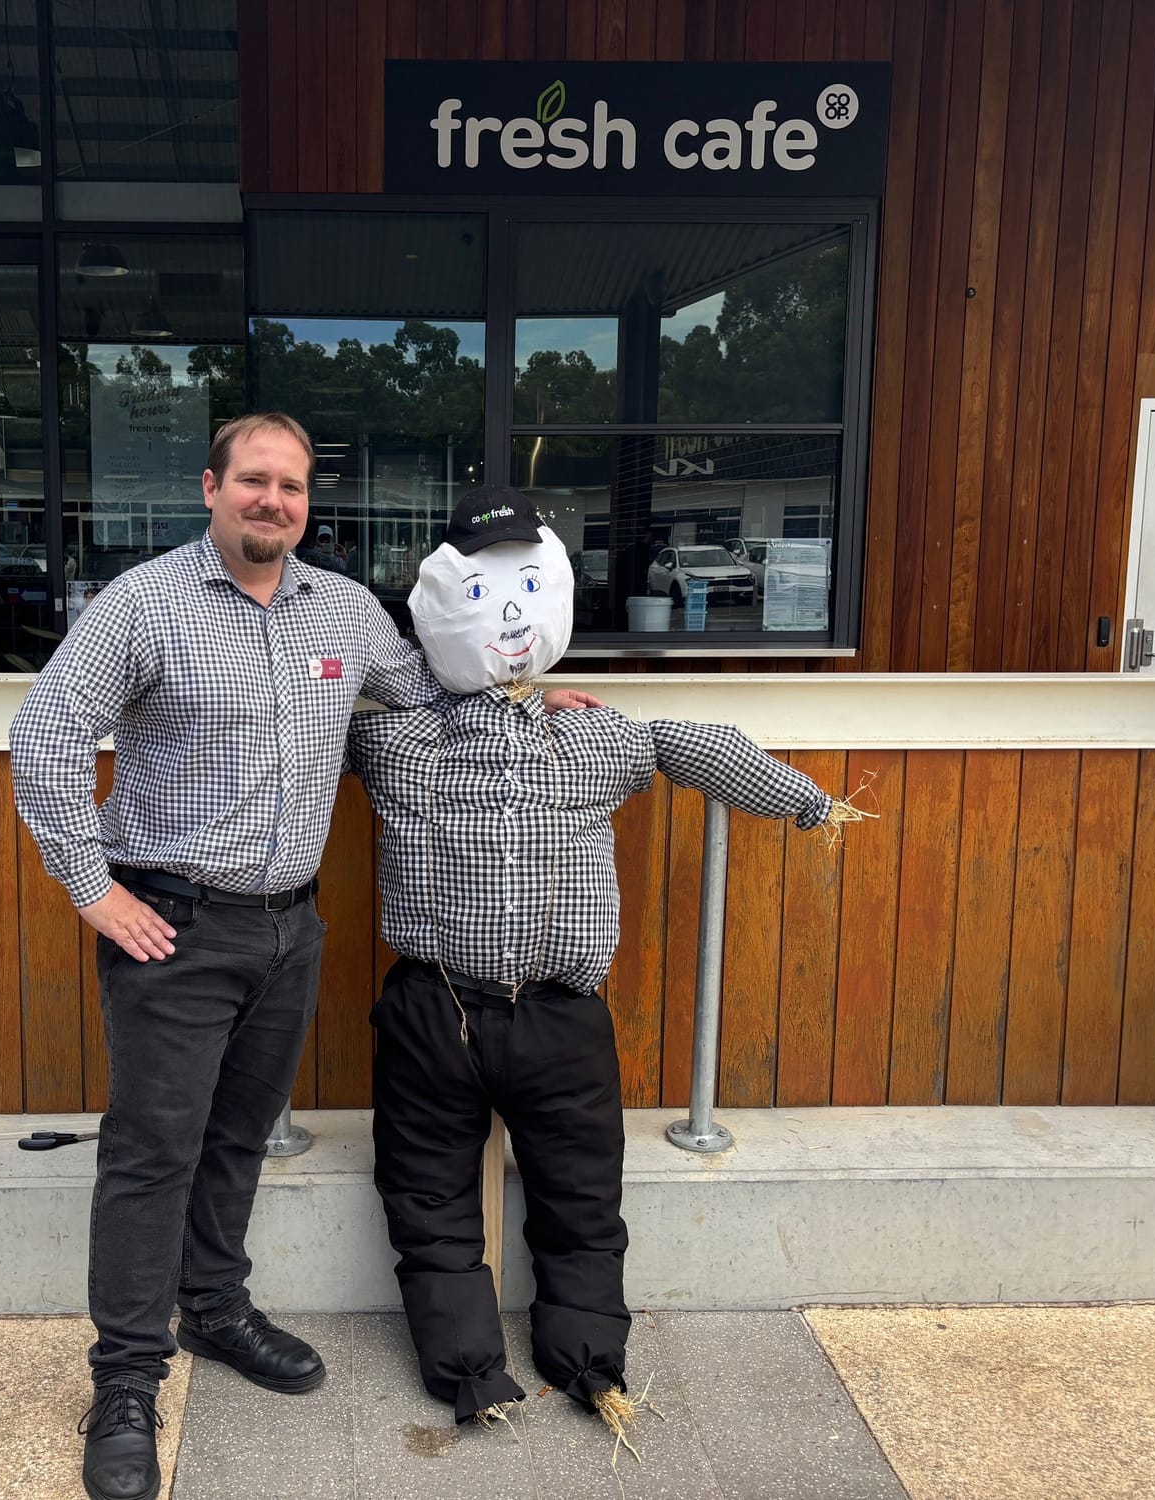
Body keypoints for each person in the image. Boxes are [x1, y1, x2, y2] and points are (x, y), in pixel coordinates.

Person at [9, 420, 598, 1500]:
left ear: (306, 502)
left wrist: (531, 708)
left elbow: (434, 698)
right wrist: (93, 891)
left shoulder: (343, 612)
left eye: (289, 486)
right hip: (175, 925)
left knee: (237, 1138)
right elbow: (45, 733)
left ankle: (217, 1309)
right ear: (211, 489)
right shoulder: (143, 605)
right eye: (252, 482)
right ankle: (128, 1380)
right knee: (152, 1155)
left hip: (290, 927)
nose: (270, 501)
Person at [344, 487, 835, 1433]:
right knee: (426, 1196)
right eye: (486, 596)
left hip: (562, 1013)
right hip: (431, 1007)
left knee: (580, 1195)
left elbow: (690, 745)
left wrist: (809, 801)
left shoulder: (597, 736)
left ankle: (588, 1364)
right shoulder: (390, 735)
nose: (512, 615)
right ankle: (466, 1370)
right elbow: (291, 736)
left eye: (528, 588)